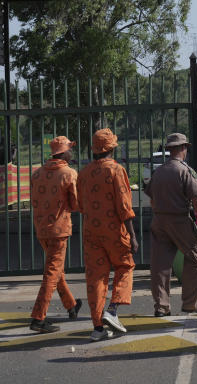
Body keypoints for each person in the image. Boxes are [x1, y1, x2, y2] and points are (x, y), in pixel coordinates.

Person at [77, 128, 138, 342]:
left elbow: (79, 204)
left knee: (95, 277)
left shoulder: (83, 173)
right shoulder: (116, 170)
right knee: (125, 266)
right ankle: (112, 310)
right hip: (114, 229)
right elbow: (124, 205)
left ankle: (98, 327)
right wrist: (132, 235)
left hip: (90, 231)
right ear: (112, 147)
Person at [145, 132, 197, 316]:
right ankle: (189, 303)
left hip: (159, 220)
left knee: (160, 266)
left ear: (169, 149)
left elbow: (152, 200)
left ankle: (161, 307)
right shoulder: (185, 170)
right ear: (183, 148)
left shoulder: (159, 171)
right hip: (179, 219)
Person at [28, 136, 82, 333]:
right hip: (59, 230)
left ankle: (71, 305)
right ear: (63, 153)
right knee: (52, 272)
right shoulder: (69, 173)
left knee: (56, 270)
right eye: (70, 149)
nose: (71, 152)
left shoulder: (37, 174)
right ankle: (38, 317)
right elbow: (76, 204)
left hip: (41, 229)